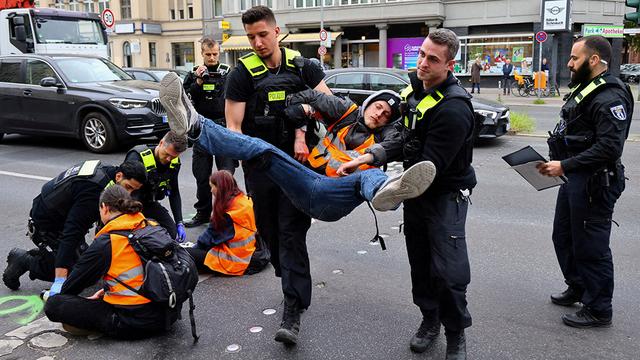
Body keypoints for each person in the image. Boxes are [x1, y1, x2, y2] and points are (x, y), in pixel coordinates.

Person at [537, 35, 632, 328]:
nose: (569, 63)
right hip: (575, 178)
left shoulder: (610, 96)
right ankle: (578, 285)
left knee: (592, 246)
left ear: (594, 60)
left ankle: (599, 308)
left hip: (595, 183)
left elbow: (609, 147)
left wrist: (564, 164)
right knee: (563, 236)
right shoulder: (588, 89)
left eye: (574, 58)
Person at [399, 29, 477, 360]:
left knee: (448, 272)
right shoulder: (416, 92)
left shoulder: (455, 107)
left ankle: (455, 334)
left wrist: (387, 188)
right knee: (420, 264)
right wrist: (373, 154)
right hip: (416, 194)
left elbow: (429, 167)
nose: (423, 63)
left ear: (449, 64)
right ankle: (429, 321)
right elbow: (403, 140)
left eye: (433, 59)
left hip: (444, 195)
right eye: (422, 55)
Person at [44, 185, 179, 338]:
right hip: (170, 311)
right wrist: (108, 290)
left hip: (135, 321)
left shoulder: (108, 241)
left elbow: (72, 286)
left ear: (104, 208)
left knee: (54, 304)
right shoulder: (151, 224)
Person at [3, 161, 146, 294]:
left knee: (89, 268)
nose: (129, 194)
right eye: (128, 187)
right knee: (75, 275)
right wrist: (60, 280)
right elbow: (72, 233)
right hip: (47, 226)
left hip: (65, 218)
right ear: (119, 176)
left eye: (134, 190)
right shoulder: (93, 193)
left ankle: (49, 256)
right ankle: (24, 260)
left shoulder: (109, 175)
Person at [284, 88, 405, 177]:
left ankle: (386, 191)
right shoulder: (347, 110)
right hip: (313, 171)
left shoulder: (385, 132)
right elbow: (307, 96)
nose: (379, 114)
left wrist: (358, 161)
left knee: (374, 177)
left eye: (386, 114)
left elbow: (397, 143)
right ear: (368, 104)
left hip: (348, 186)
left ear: (388, 121)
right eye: (378, 107)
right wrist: (301, 131)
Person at [183, 37, 237, 228]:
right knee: (201, 174)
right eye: (208, 54)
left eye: (215, 54)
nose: (212, 57)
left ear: (219, 53)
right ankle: (203, 213)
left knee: (226, 175)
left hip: (223, 128)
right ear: (202, 54)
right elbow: (186, 100)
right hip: (202, 128)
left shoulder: (229, 73)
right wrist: (198, 81)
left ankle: (227, 213)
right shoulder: (193, 74)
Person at [186, 170, 260, 276]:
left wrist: (191, 249)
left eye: (212, 187)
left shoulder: (228, 215)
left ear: (219, 188)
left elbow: (205, 241)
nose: (211, 190)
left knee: (185, 254)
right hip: (247, 252)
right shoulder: (244, 200)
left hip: (232, 260)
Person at [125, 130, 187, 241]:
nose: (168, 159)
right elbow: (125, 190)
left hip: (149, 202)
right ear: (161, 143)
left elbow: (174, 192)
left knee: (171, 233)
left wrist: (179, 222)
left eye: (173, 157)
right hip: (128, 204)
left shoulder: (174, 162)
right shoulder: (137, 156)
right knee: (137, 237)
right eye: (167, 154)